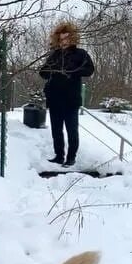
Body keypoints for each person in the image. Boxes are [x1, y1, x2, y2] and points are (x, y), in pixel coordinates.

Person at [38, 22, 95, 167]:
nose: (64, 41)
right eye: (61, 38)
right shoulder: (54, 55)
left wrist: (72, 72)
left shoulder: (80, 54)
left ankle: (71, 157)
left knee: (72, 130)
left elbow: (89, 70)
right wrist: (52, 71)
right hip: (55, 98)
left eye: (67, 38)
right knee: (56, 130)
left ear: (72, 38)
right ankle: (59, 156)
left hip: (71, 99)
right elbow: (43, 72)